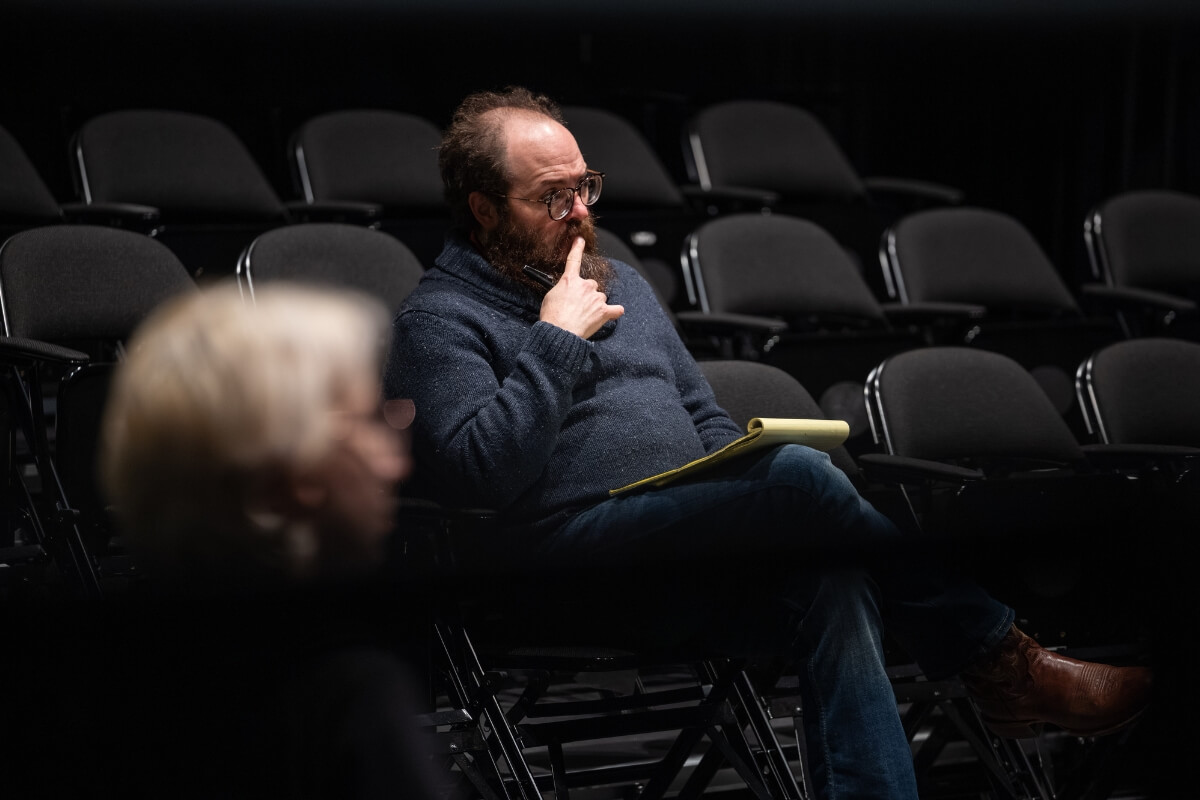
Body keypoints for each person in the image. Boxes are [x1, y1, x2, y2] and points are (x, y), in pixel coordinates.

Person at [383, 87, 1152, 799]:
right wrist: (555, 339)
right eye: (553, 196)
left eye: (587, 186)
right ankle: (1003, 664)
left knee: (833, 579)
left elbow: (700, 417)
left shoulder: (623, 283)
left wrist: (732, 461)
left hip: (680, 553)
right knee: (800, 481)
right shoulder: (439, 320)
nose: (580, 209)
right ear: (483, 209)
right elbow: (481, 477)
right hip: (563, 568)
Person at [68, 282, 435, 799]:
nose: (397, 463)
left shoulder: (87, 683)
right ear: (293, 475)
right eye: (374, 421)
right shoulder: (347, 692)